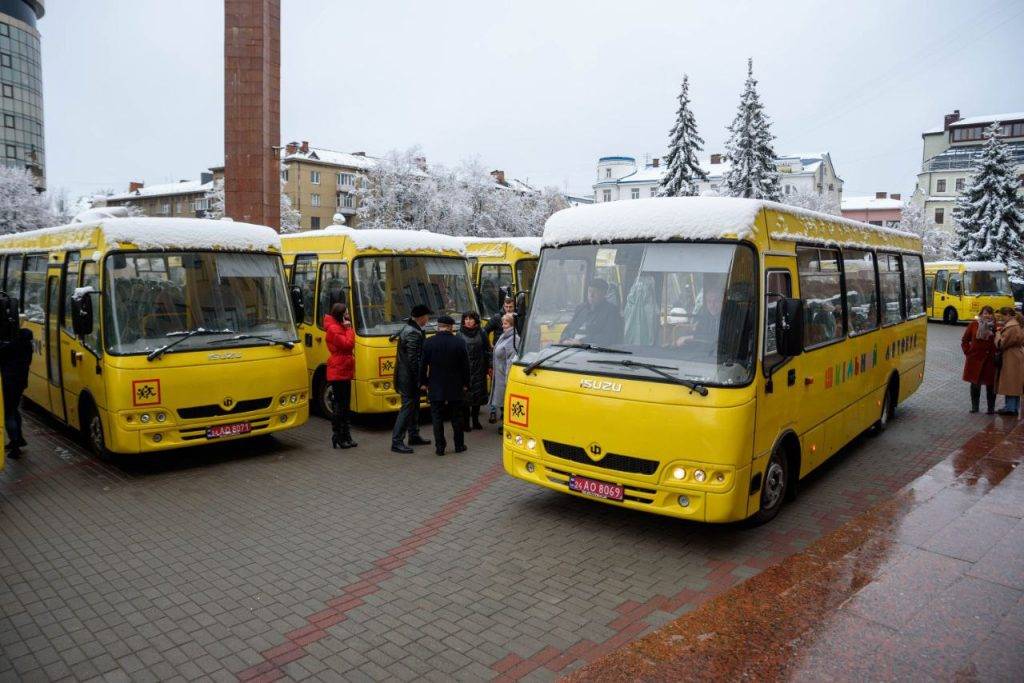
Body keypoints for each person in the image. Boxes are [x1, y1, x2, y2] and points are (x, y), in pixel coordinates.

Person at [419, 315, 470, 456]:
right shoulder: (459, 342)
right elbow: (465, 366)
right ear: (451, 327)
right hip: (455, 385)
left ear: (438, 326)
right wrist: (466, 383)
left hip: (435, 385)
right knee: (456, 417)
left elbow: (422, 365)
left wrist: (423, 383)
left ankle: (440, 447)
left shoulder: (429, 342)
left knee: (437, 417)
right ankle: (459, 445)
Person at [391, 304, 433, 453]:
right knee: (407, 408)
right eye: (427, 316)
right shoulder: (412, 333)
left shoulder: (412, 329)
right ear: (421, 317)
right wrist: (420, 380)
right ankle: (397, 441)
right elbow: (413, 360)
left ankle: (414, 435)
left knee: (414, 406)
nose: (428, 319)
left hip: (407, 376)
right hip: (409, 378)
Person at [324, 302, 357, 448]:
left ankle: (346, 435)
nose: (349, 315)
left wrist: (347, 328)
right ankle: (338, 435)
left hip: (344, 367)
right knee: (340, 405)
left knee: (345, 405)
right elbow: (348, 345)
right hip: (338, 369)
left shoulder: (339, 327)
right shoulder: (333, 329)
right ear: (341, 315)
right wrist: (349, 329)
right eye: (346, 312)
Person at [0, 326, 33, 459]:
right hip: (20, 383)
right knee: (14, 410)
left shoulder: (12, 346)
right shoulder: (27, 346)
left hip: (9, 384)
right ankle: (19, 439)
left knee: (9, 414)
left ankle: (15, 446)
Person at [560, 279, 622, 347]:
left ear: (604, 293)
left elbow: (609, 337)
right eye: (589, 291)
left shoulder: (611, 311)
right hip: (569, 348)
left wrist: (582, 341)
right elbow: (568, 329)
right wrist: (564, 340)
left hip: (592, 351)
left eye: (595, 292)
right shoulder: (581, 308)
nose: (591, 295)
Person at [961, 306, 999, 414]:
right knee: (975, 384)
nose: (987, 315)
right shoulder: (974, 324)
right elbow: (965, 340)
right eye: (985, 313)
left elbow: (1000, 342)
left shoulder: (996, 327)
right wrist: (968, 352)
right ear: (981, 314)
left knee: (990, 385)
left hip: (990, 360)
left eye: (989, 313)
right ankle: (975, 407)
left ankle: (990, 409)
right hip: (975, 359)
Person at [458, 311, 491, 431]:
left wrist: (489, 366)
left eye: (470, 319)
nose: (468, 321)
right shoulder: (459, 334)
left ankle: (476, 421)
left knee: (477, 397)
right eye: (465, 319)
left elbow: (488, 350)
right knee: (466, 399)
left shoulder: (482, 333)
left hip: (479, 369)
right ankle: (466, 423)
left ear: (475, 320)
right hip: (465, 370)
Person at [488, 313, 518, 425]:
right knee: (502, 402)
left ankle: (506, 425)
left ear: (511, 325)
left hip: (504, 376)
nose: (502, 326)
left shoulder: (514, 339)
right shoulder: (503, 336)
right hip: (499, 374)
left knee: (506, 402)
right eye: (503, 323)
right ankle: (504, 424)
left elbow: (511, 361)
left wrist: (508, 380)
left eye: (505, 323)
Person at [995, 307, 1024, 417]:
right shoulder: (1018, 324)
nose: (1002, 319)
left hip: (1011, 356)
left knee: (1010, 382)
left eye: (1002, 316)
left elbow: (1002, 344)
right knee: (1015, 382)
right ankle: (1012, 407)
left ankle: (1010, 408)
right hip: (1017, 355)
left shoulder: (1011, 327)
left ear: (1007, 314)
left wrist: (998, 335)